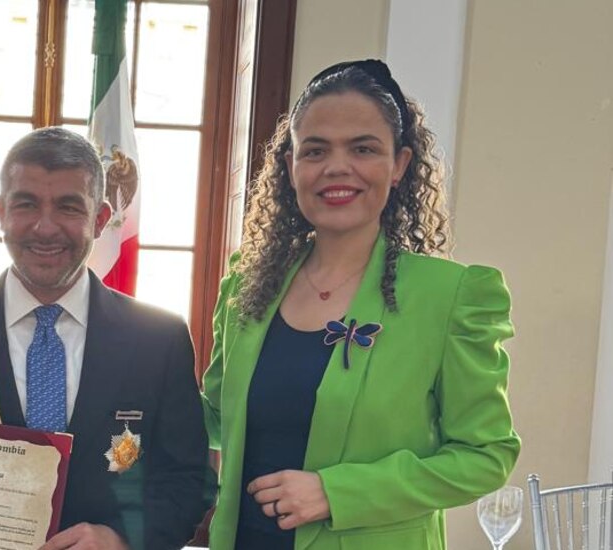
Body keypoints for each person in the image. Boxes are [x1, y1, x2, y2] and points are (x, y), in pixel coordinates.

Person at [201, 59, 521, 549]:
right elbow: (215, 419)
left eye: (363, 148)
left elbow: (486, 456)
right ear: (290, 166)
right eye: (315, 150)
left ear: (399, 165)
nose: (336, 167)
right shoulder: (248, 284)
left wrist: (338, 492)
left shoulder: (453, 296)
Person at [0, 127, 211, 550]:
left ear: (100, 219)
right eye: (26, 204)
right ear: (1, 212)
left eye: (68, 207)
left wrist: (120, 540)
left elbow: (187, 481)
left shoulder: (159, 340)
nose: (45, 228)